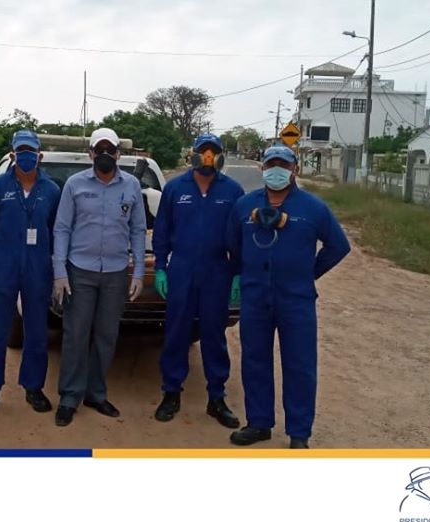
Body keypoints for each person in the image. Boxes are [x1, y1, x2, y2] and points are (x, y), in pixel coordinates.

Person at [227, 144, 350, 449]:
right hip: (256, 297)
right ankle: (259, 423)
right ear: (263, 168)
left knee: (300, 364)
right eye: (271, 165)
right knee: (255, 360)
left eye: (283, 165)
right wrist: (243, 274)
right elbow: (233, 244)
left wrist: (309, 273)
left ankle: (299, 432)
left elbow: (338, 246)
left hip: (296, 299)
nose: (276, 170)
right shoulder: (244, 206)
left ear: (295, 169)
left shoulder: (313, 208)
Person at [52, 127, 146, 427]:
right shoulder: (75, 184)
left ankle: (96, 393)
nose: (105, 154)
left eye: (111, 150)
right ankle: (69, 396)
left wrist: (139, 272)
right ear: (90, 153)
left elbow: (138, 230)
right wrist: (59, 273)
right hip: (79, 271)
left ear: (119, 154)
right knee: (76, 335)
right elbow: (62, 228)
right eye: (100, 149)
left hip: (116, 272)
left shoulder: (131, 185)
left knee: (106, 335)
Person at [152, 133, 245, 428]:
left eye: (213, 151)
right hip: (181, 268)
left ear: (220, 156)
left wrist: (237, 273)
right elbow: (162, 231)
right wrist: (161, 267)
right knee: (176, 332)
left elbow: (241, 236)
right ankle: (171, 393)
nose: (207, 156)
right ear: (192, 154)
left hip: (218, 270)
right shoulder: (175, 188)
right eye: (202, 151)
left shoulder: (233, 190)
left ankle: (216, 398)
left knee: (214, 335)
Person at [0, 130, 61, 418]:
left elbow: (55, 228)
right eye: (21, 151)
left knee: (36, 330)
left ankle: (33, 387)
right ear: (12, 155)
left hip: (38, 266)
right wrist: (2, 253)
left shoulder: (51, 190)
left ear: (39, 155)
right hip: (4, 265)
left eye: (30, 151)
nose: (26, 156)